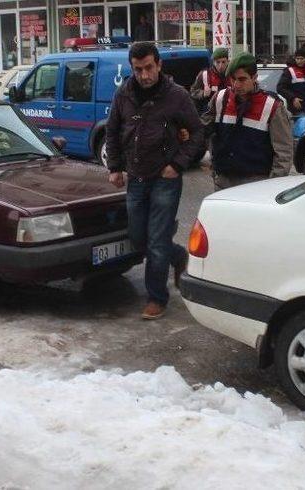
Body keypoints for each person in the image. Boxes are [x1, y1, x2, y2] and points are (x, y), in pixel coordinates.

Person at [106, 42, 204, 320]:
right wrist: (115, 167)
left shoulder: (177, 96)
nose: (144, 75)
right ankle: (177, 256)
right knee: (139, 238)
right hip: (136, 176)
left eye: (149, 68)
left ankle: (156, 298)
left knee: (157, 240)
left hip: (165, 178)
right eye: (138, 69)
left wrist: (178, 164)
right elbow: (112, 131)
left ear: (159, 65)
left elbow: (197, 133)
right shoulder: (123, 94)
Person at [202, 52, 293, 191]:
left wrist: (273, 186)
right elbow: (203, 129)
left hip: (256, 183)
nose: (236, 84)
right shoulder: (220, 98)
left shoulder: (272, 106)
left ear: (255, 77)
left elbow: (283, 152)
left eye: (242, 79)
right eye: (233, 79)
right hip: (223, 179)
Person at [277, 47, 305, 115]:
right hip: (295, 108)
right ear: (295, 59)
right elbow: (280, 88)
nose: (299, 61)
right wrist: (293, 98)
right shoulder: (290, 71)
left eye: (302, 59)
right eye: (297, 59)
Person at [190, 47, 230, 114]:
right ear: (213, 62)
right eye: (218, 62)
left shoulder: (232, 75)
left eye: (223, 62)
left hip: (228, 112)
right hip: (210, 113)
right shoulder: (205, 75)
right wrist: (203, 93)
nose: (221, 65)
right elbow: (193, 91)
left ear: (228, 61)